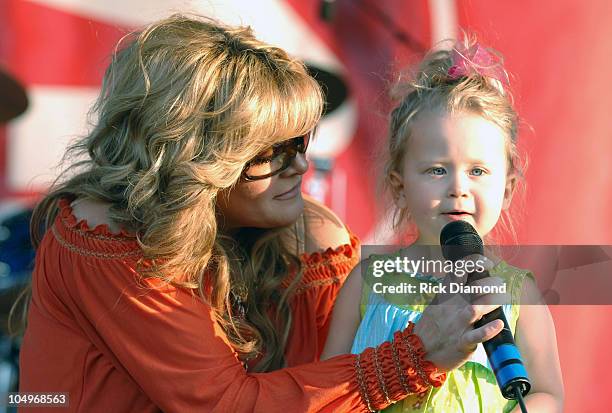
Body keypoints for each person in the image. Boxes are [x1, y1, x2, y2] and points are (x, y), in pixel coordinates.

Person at [17, 15, 508, 412]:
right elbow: (223, 404)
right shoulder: (107, 233)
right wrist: (414, 355)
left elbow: (332, 374)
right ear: (197, 159)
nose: (300, 165)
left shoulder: (313, 236)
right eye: (271, 151)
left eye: (302, 141)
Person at [321, 38, 564, 412]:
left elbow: (547, 393)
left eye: (478, 171)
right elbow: (327, 388)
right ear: (400, 187)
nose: (458, 188)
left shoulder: (518, 295)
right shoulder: (366, 282)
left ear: (508, 189)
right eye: (437, 170)